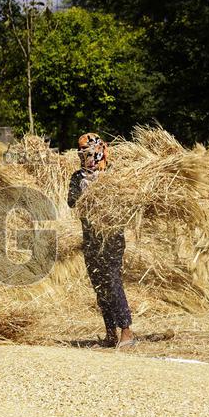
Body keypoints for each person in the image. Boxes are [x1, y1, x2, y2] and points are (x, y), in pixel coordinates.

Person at [67, 133, 137, 348]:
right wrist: (89, 193)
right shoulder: (79, 177)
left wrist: (104, 190)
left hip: (112, 236)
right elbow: (71, 201)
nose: (86, 158)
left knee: (112, 280)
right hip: (90, 238)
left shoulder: (114, 175)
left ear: (99, 151)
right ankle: (110, 334)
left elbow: (127, 202)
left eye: (89, 153)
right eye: (82, 154)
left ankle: (127, 331)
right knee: (99, 285)